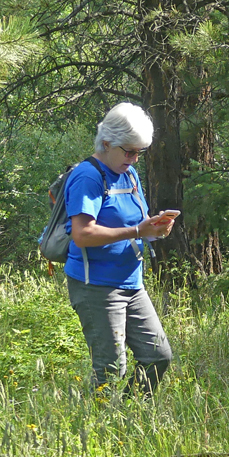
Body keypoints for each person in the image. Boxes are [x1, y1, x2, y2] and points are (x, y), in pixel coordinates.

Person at [63, 102, 177, 395]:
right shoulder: (88, 176)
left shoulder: (128, 174)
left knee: (157, 357)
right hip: (96, 286)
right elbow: (82, 234)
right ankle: (98, 428)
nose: (135, 159)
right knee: (111, 370)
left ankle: (127, 415)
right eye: (129, 151)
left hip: (131, 283)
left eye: (139, 152)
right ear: (106, 143)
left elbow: (135, 224)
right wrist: (138, 230)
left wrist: (154, 231)